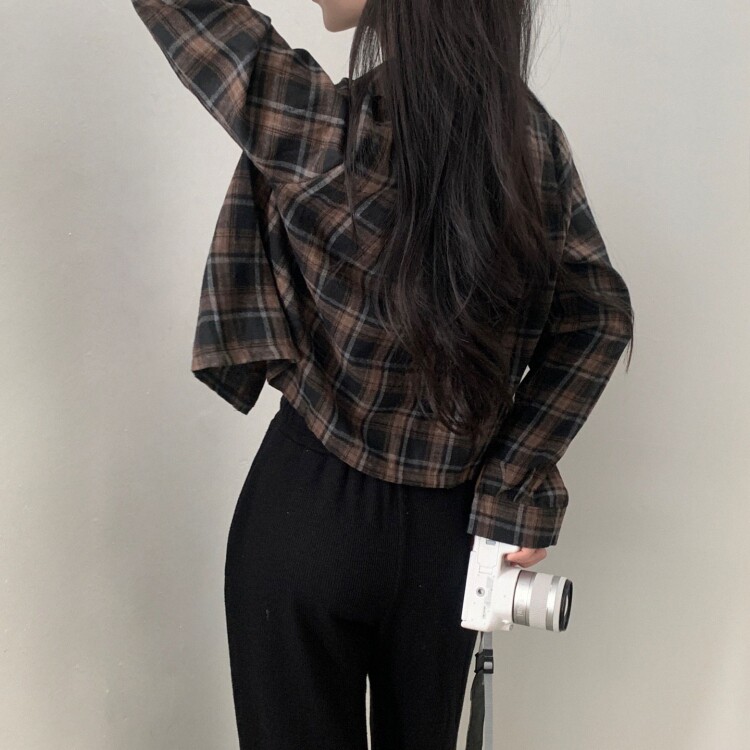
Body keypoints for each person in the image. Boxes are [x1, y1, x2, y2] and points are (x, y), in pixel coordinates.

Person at [130, 0, 634, 747]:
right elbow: (597, 318)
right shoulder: (530, 143)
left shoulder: (323, 123)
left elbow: (191, 14)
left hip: (308, 511)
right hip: (449, 537)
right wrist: (510, 486)